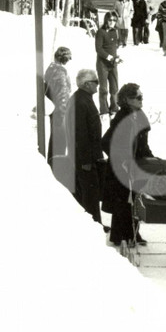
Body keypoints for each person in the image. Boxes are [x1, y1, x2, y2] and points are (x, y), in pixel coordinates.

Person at [101, 82, 154, 250]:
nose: (141, 100)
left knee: (136, 198)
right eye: (138, 97)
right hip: (121, 167)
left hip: (136, 165)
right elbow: (106, 142)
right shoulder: (122, 117)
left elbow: (143, 143)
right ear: (127, 100)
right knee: (123, 200)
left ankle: (133, 233)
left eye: (142, 96)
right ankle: (120, 235)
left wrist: (150, 158)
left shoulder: (139, 115)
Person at [64, 68, 105, 224]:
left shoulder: (83, 98)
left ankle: (94, 223)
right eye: (96, 82)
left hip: (86, 157)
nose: (98, 85)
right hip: (84, 159)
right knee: (90, 194)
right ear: (87, 84)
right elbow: (80, 134)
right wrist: (87, 161)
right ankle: (93, 225)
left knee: (89, 193)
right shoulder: (80, 101)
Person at [43, 45, 73, 166]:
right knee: (60, 142)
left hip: (54, 110)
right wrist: (63, 114)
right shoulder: (61, 72)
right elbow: (63, 95)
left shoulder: (51, 68)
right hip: (60, 112)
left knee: (55, 141)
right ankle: (57, 168)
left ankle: (52, 164)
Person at [95, 12, 121, 115]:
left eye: (114, 20)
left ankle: (114, 108)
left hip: (113, 64)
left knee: (114, 87)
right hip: (102, 64)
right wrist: (109, 57)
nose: (112, 22)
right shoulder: (100, 32)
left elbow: (114, 47)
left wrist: (116, 57)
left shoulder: (115, 31)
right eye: (110, 20)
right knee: (103, 88)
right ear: (106, 20)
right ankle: (104, 111)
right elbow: (98, 49)